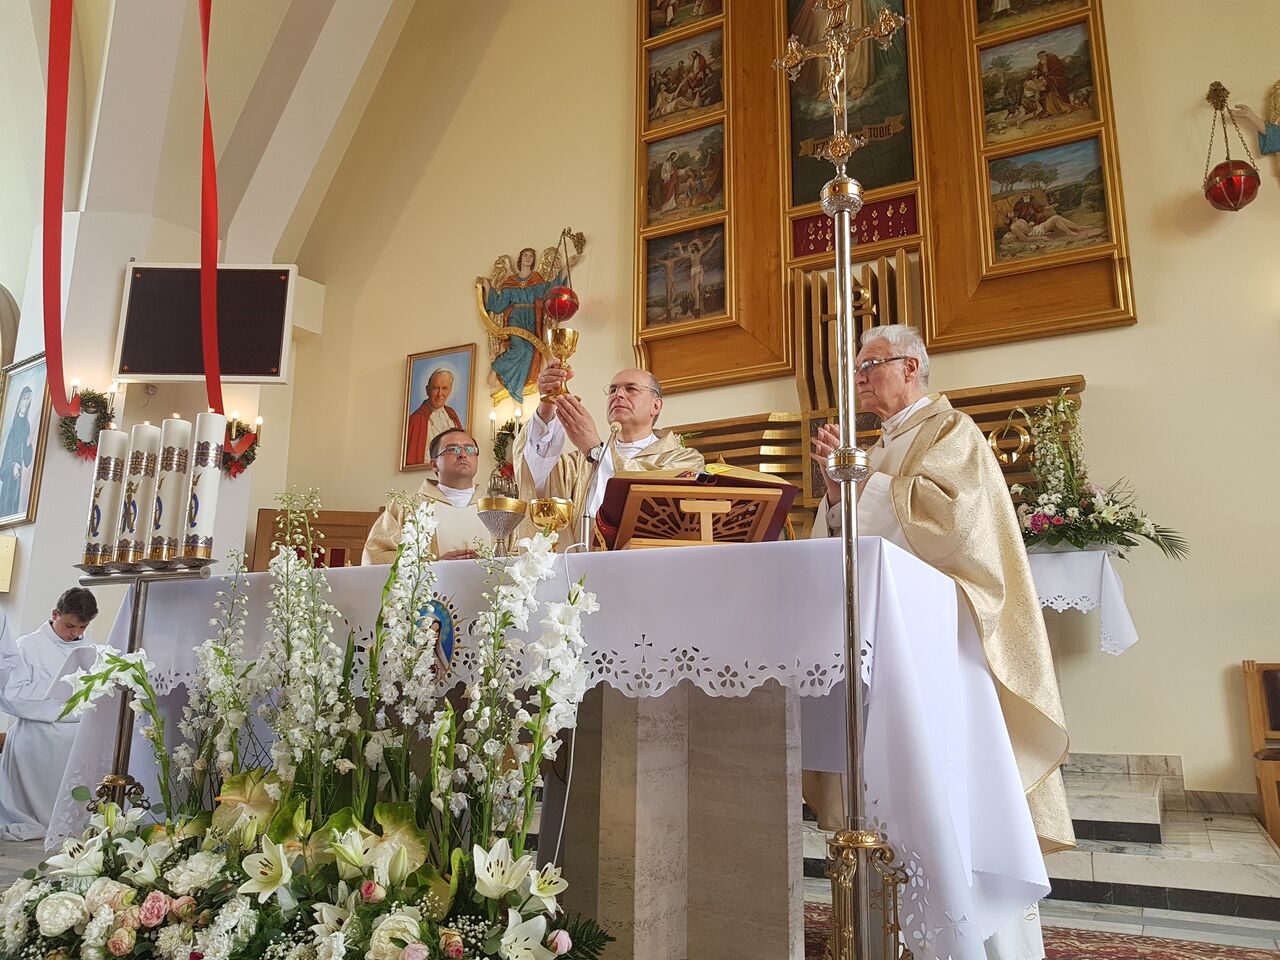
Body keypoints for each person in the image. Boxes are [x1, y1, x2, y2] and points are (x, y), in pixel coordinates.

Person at [808, 325, 1073, 960]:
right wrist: (836, 494)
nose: (860, 377)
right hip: (885, 645)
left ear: (912, 368)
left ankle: (965, 932)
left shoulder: (951, 431)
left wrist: (859, 483)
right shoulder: (878, 447)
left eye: (872, 364)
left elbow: (952, 524)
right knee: (882, 791)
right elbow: (852, 541)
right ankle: (880, 936)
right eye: (858, 367)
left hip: (942, 647)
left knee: (946, 792)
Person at [513, 363, 704, 547]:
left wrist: (594, 449)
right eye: (613, 390)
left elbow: (659, 508)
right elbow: (534, 474)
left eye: (631, 389)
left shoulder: (684, 460)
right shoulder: (577, 463)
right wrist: (547, 405)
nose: (618, 394)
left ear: (656, 406)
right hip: (582, 567)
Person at [0, 588, 98, 841]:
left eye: (83, 627)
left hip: (77, 733)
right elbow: (12, 693)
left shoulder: (91, 649)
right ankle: (37, 819)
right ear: (55, 614)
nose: (75, 633)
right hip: (37, 730)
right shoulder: (26, 646)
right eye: (70, 626)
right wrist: (60, 694)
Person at [364, 429, 491, 564]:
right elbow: (375, 555)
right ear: (434, 464)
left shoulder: (498, 508)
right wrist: (431, 566)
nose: (463, 454)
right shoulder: (405, 507)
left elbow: (508, 556)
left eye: (470, 449)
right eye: (452, 449)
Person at [482, 247, 568, 401]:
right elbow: (499, 305)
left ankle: (517, 387)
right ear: (520, 259)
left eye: (531, 256)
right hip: (516, 317)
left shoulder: (536, 280)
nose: (528, 258)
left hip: (532, 319)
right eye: (526, 255)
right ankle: (496, 368)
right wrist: (488, 288)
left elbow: (551, 289)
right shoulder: (511, 282)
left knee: (529, 351)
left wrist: (567, 268)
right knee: (520, 348)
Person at [405, 368, 464, 467]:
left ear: (450, 390)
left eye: (444, 388)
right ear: (427, 390)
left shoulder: (451, 415)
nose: (440, 394)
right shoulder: (416, 419)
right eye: (436, 388)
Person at [0, 386, 35, 517]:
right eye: (25, 398)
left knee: (14, 501)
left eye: (29, 399)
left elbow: (26, 460)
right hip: (11, 468)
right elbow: (8, 447)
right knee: (6, 501)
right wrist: (12, 465)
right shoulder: (14, 423)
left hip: (18, 470)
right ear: (20, 400)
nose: (26, 402)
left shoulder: (26, 424)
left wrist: (28, 445)